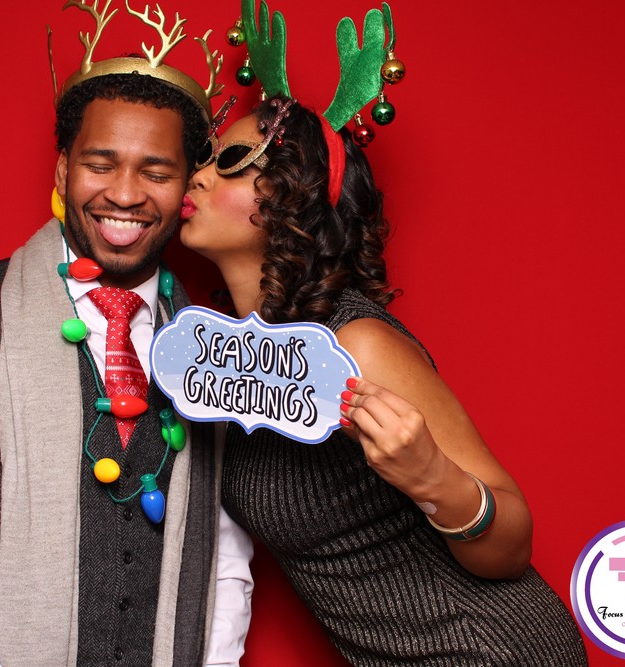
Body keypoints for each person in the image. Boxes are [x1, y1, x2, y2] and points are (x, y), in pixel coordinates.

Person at [0, 13, 254, 666]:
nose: (125, 194)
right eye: (101, 164)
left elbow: (224, 555)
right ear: (64, 170)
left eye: (156, 171)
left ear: (186, 186)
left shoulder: (217, 352)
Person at [179, 96, 589, 666]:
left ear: (294, 193)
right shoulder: (224, 364)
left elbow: (512, 546)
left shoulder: (356, 344)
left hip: (486, 648)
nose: (197, 176)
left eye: (232, 161)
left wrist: (433, 477)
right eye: (205, 157)